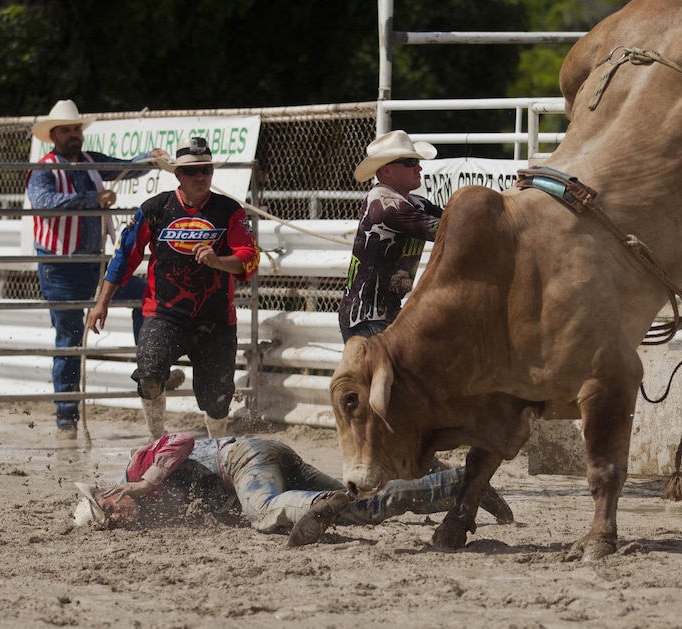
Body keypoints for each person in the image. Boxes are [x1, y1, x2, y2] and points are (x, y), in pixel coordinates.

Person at [86, 136, 260, 442]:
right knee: (149, 375)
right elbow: (124, 256)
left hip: (215, 319)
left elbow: (250, 257)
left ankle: (217, 447)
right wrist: (101, 303)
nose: (200, 177)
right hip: (164, 314)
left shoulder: (229, 210)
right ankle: (156, 440)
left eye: (205, 170)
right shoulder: (155, 208)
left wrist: (218, 261)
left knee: (217, 399)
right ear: (177, 174)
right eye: (192, 171)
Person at [72, 432, 514, 546]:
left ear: (108, 497)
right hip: (262, 465)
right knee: (362, 507)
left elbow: (181, 440)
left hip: (244, 458)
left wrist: (149, 481)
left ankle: (319, 505)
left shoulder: (137, 469)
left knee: (262, 511)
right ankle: (461, 482)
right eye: (111, 523)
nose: (118, 517)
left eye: (108, 511)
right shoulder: (153, 519)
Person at [26, 99, 171, 440]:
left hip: (92, 265)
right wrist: (93, 200)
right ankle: (66, 418)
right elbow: (45, 205)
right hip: (60, 267)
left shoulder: (91, 162)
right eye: (67, 130)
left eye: (76, 128)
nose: (74, 134)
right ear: (53, 136)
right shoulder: (45, 169)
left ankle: (148, 369)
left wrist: (148, 160)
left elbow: (125, 168)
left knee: (142, 298)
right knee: (69, 339)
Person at [339, 130, 442, 343]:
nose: (419, 167)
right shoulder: (387, 206)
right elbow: (448, 228)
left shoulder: (413, 202)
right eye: (410, 161)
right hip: (367, 319)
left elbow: (453, 217)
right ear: (386, 171)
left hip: (381, 314)